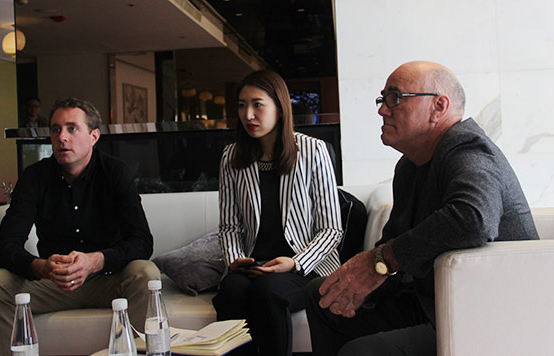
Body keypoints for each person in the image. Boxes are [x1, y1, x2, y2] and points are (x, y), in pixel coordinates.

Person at [305, 61, 540, 356]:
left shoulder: (467, 149)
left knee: (362, 352)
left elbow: (473, 219)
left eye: (395, 98)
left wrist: (381, 261)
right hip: (430, 302)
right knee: (322, 295)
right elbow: (393, 240)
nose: (382, 109)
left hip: (486, 316)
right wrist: (359, 282)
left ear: (438, 106)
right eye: (382, 99)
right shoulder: (409, 165)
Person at [0, 97, 160, 356]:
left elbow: (142, 241)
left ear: (94, 136)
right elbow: (4, 247)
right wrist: (42, 267)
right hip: (53, 282)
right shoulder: (34, 177)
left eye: (72, 128)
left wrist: (95, 261)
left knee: (145, 273)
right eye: (56, 129)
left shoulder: (115, 173)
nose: (62, 137)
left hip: (107, 279)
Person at [213, 70, 343, 356]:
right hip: (252, 265)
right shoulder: (232, 157)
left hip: (303, 267)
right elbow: (229, 227)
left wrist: (296, 262)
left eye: (257, 104)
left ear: (280, 108)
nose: (248, 114)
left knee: (269, 291)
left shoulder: (313, 151)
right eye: (242, 105)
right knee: (232, 291)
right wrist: (235, 259)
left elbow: (331, 229)